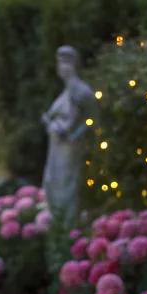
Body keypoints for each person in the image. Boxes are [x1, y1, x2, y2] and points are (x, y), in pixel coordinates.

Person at [41, 46, 94, 222]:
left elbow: (92, 120)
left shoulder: (81, 91)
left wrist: (74, 135)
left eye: (65, 63)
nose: (61, 67)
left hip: (69, 148)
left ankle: (67, 229)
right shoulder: (65, 92)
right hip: (56, 146)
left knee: (66, 187)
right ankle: (58, 227)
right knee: (52, 183)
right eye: (60, 62)